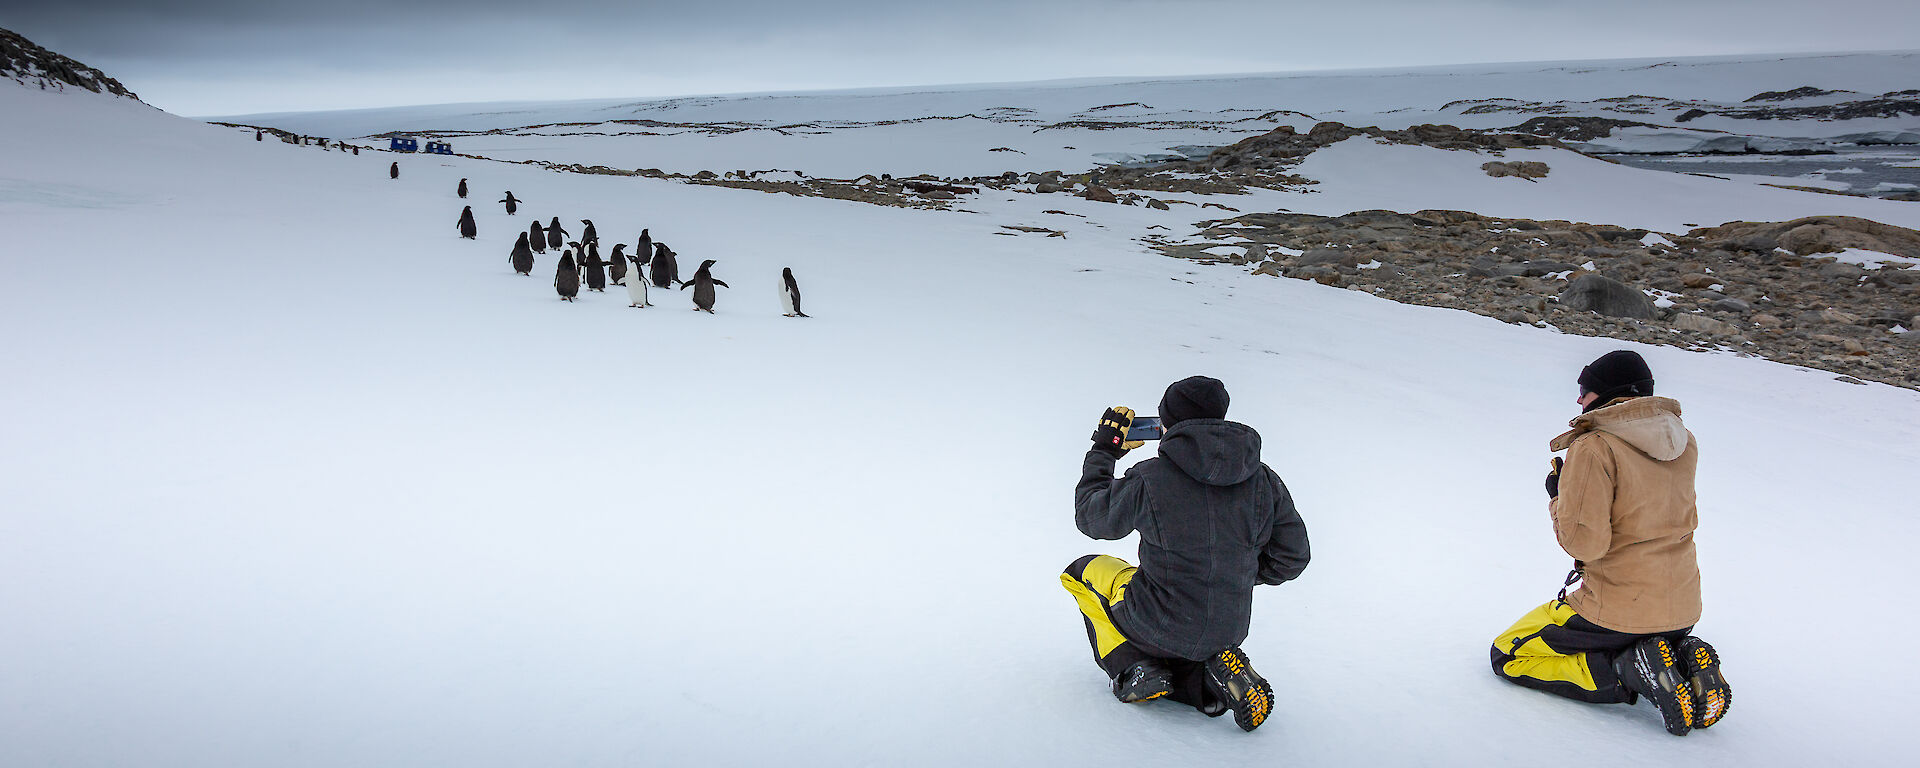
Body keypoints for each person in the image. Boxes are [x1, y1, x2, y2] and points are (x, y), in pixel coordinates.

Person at [1488, 350, 1732, 736]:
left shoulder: (1594, 446)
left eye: (1585, 390)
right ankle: (1677, 659)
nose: (1580, 400)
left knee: (1509, 653)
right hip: (1682, 608)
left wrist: (1558, 498)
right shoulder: (1685, 441)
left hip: (1617, 611)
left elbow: (1584, 544)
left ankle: (1625, 671)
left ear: (1609, 394)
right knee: (1633, 630)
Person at [1061, 376, 1310, 732]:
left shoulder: (1151, 477)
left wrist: (1104, 451)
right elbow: (1293, 557)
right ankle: (1209, 684)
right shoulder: (1263, 479)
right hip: (1228, 628)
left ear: (1167, 424)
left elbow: (1091, 518)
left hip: (1154, 622)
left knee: (1083, 571)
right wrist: (1232, 571)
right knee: (1177, 631)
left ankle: (1132, 667)